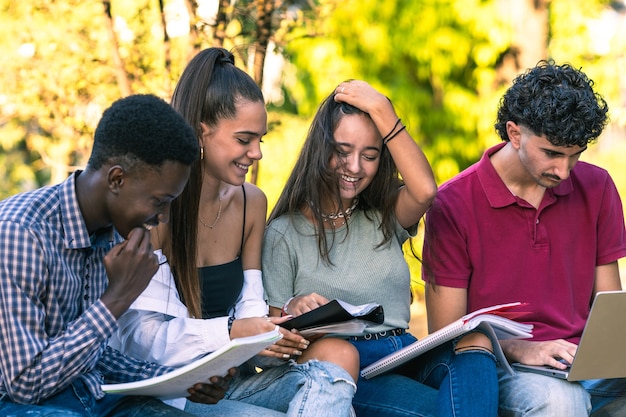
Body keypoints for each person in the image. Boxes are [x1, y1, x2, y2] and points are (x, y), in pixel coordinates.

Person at [109, 47, 358, 417]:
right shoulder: (157, 211)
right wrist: (228, 333)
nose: (256, 153)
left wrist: (273, 332)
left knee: (332, 377)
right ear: (200, 134)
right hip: (171, 393)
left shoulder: (251, 203)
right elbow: (142, 339)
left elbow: (251, 305)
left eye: (261, 139)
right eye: (244, 140)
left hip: (231, 383)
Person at [262, 80, 500, 417]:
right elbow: (275, 342)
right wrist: (293, 307)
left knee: (475, 343)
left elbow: (425, 191)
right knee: (451, 408)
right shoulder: (283, 234)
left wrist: (383, 112)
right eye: (343, 151)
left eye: (370, 155)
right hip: (346, 364)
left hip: (404, 352)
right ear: (321, 149)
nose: (355, 167)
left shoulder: (383, 214)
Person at [422, 60, 626, 417]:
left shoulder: (598, 187)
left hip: (581, 362)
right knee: (563, 403)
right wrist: (521, 348)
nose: (564, 171)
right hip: (505, 367)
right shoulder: (453, 203)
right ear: (514, 134)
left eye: (575, 156)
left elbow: (609, 306)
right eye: (551, 153)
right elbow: (446, 334)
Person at [0, 94, 210, 416]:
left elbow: (90, 353)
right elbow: (25, 383)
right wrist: (117, 298)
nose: (164, 216)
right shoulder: (20, 233)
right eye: (159, 201)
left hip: (86, 396)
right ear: (116, 179)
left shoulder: (110, 234)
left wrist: (179, 381)